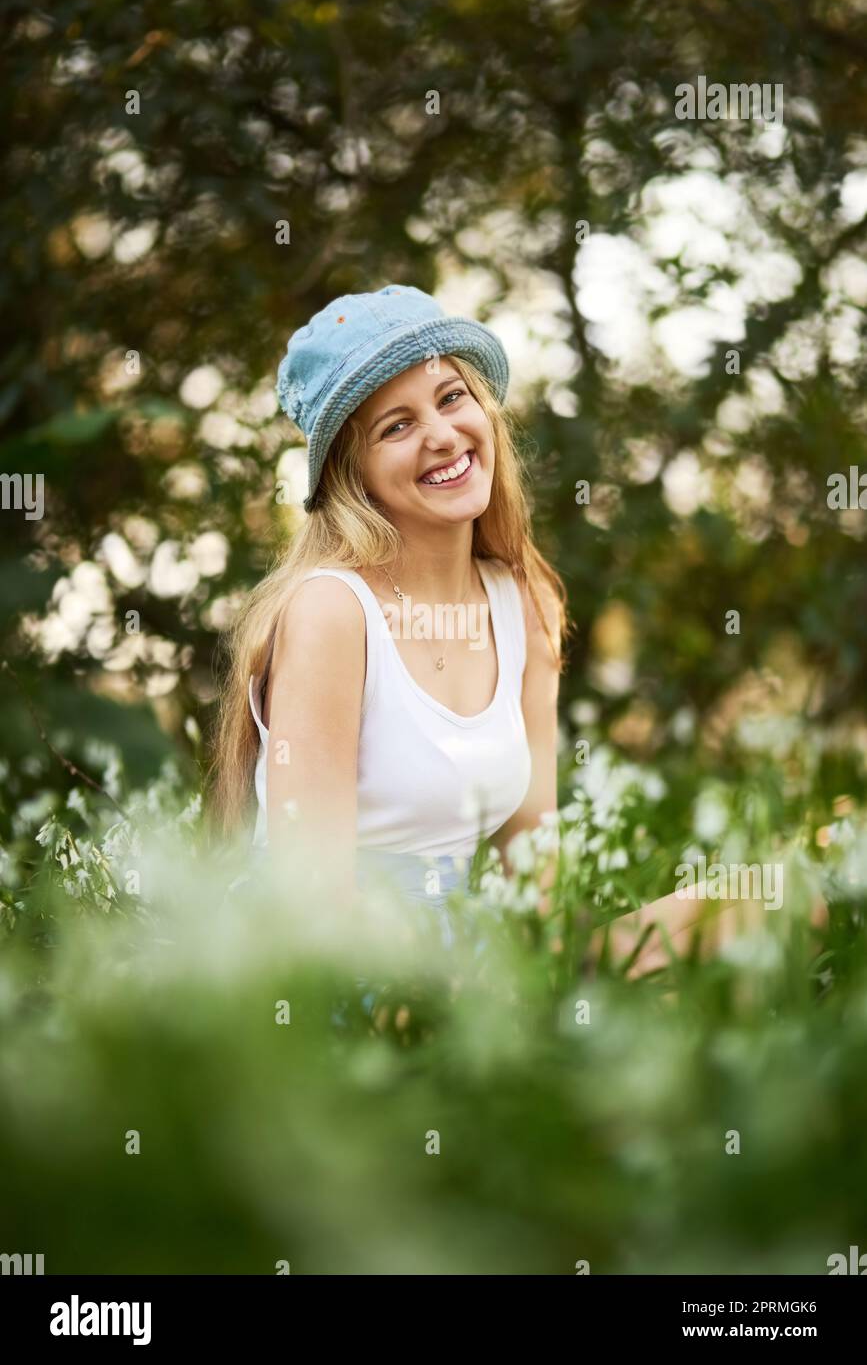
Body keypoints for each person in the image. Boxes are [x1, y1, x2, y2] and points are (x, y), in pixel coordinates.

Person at [209, 284, 819, 976]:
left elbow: (534, 878)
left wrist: (553, 972)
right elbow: (311, 906)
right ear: (355, 478)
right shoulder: (330, 613)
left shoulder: (524, 605)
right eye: (395, 426)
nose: (441, 434)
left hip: (477, 955)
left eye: (449, 398)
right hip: (342, 969)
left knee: (781, 895)